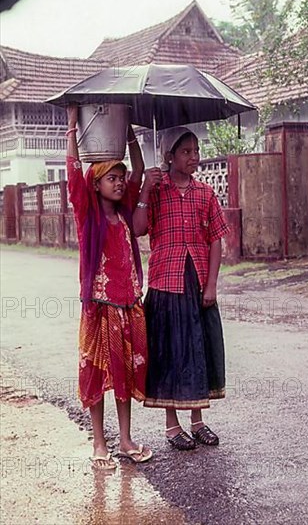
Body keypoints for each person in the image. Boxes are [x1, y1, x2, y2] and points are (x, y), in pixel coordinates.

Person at [66, 105, 152, 469]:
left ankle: (126, 439)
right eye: (111, 178)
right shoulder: (87, 216)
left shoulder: (123, 214)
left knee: (124, 374)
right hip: (99, 308)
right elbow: (72, 173)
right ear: (95, 183)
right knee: (98, 374)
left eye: (120, 177)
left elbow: (140, 171)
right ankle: (99, 442)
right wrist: (72, 128)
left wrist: (129, 132)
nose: (119, 182)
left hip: (129, 306)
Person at [133, 126, 229, 450]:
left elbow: (216, 240)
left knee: (198, 351)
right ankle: (172, 427)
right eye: (186, 151)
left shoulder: (205, 193)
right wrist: (145, 190)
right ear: (169, 156)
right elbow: (137, 228)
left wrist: (212, 284)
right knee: (171, 353)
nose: (193, 157)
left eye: (196, 151)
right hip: (165, 282)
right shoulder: (157, 191)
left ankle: (198, 421)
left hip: (198, 282)